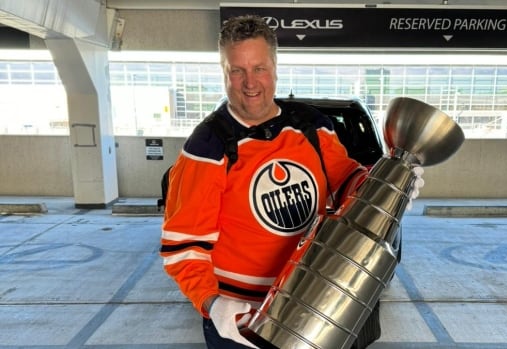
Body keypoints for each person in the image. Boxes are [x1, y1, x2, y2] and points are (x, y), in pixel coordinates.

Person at [160, 14, 422, 349]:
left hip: (315, 303)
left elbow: (346, 183)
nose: (250, 82)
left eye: (259, 68)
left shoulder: (313, 127)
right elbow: (183, 246)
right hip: (242, 322)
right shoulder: (207, 146)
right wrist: (213, 304)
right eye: (236, 70)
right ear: (223, 73)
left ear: (275, 67)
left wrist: (389, 186)